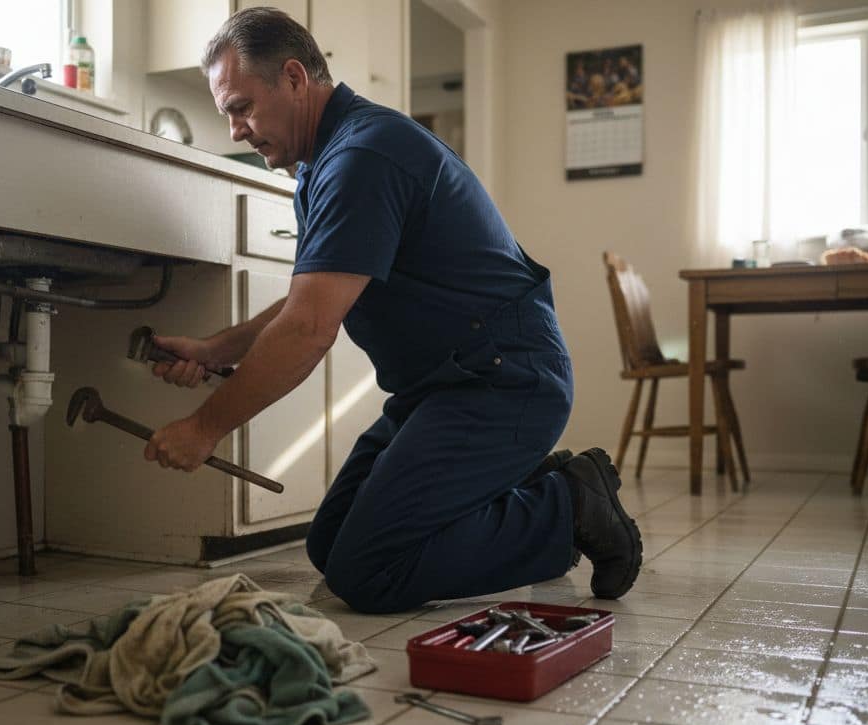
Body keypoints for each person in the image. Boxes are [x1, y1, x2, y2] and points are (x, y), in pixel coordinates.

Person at [143, 7, 641, 614]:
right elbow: (316, 293)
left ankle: (568, 504)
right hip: (442, 387)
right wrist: (219, 348)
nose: (235, 131)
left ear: (295, 79)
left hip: (504, 381)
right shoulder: (330, 157)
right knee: (331, 545)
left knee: (369, 571)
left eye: (241, 107)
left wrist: (203, 428)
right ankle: (535, 495)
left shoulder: (362, 156)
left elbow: (307, 328)